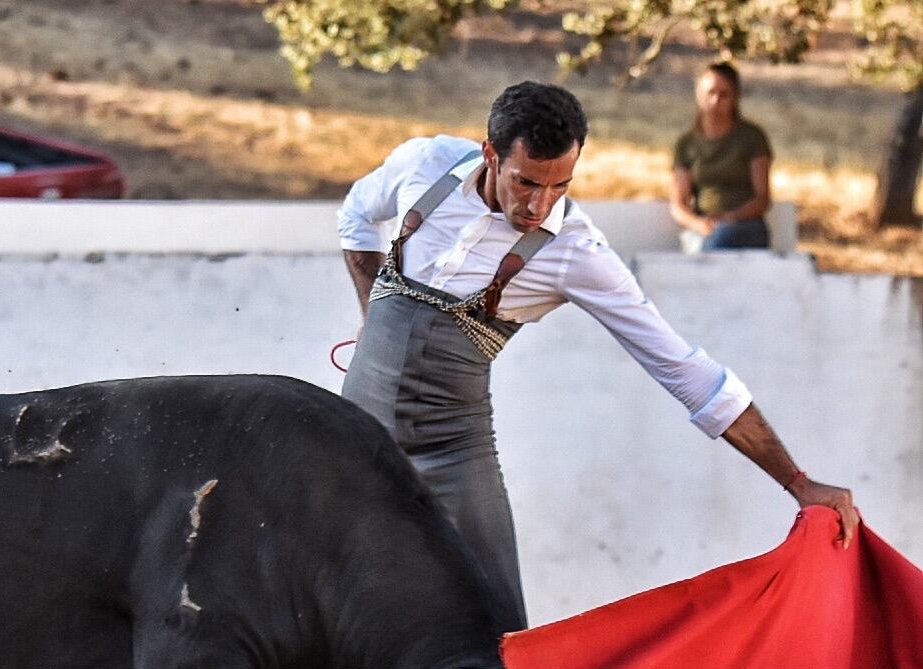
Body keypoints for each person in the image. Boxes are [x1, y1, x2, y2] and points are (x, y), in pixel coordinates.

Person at [337, 80, 855, 631]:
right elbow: (356, 216)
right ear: (490, 153)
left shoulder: (575, 251)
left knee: (496, 629)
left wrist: (798, 483)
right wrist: (373, 311)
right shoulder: (426, 164)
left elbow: (684, 370)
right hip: (351, 434)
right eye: (526, 183)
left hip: (451, 452)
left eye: (560, 186)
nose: (539, 205)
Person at [670, 62, 773, 251]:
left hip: (745, 226)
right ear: (699, 94)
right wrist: (699, 224)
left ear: (735, 98)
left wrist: (730, 218)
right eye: (710, 93)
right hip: (705, 228)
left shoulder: (751, 137)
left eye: (724, 94)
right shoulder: (686, 144)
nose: (716, 101)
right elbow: (679, 203)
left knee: (720, 240)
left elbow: (762, 199)